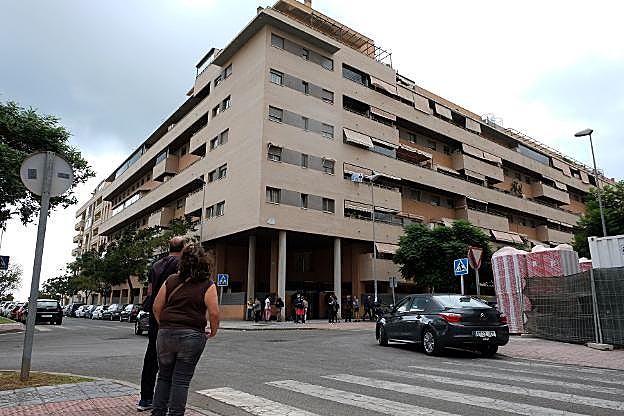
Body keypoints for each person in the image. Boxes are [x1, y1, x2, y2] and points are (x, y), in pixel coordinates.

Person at [151, 244, 219, 416]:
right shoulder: (207, 284)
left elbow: (156, 307)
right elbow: (214, 312)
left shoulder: (171, 280)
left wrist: (164, 325)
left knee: (163, 376)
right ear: (204, 262)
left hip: (166, 333)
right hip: (192, 335)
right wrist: (213, 330)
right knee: (181, 380)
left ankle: (157, 412)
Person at [138, 237, 184, 412]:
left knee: (151, 357)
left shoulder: (156, 265)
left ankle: (145, 398)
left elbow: (150, 291)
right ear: (183, 248)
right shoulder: (181, 264)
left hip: (155, 314)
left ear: (169, 247)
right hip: (173, 314)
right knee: (174, 360)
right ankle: (168, 400)